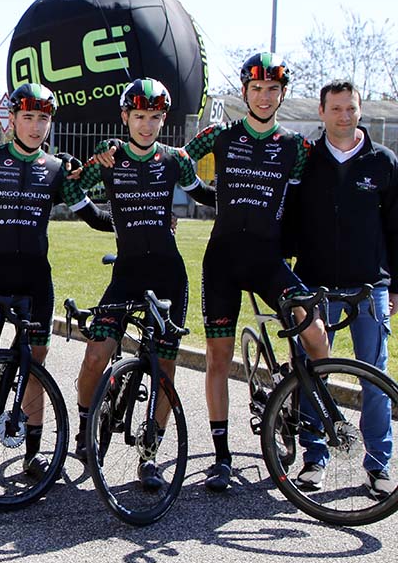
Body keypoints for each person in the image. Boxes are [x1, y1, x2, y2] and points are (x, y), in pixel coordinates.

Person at [99, 52, 330, 492]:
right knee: (219, 359)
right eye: (257, 89)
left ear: (283, 94)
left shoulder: (295, 148)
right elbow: (167, 160)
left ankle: (305, 415)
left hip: (268, 260)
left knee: (314, 335)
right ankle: (222, 457)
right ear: (245, 91)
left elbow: (302, 205)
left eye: (273, 90)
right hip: (222, 259)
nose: (264, 97)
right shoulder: (219, 135)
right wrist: (112, 154)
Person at [0, 82, 114, 482]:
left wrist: (132, 225)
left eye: (43, 118)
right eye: (28, 117)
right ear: (12, 120)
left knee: (35, 364)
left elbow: (92, 214)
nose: (35, 126)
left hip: (34, 281)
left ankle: (32, 453)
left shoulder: (57, 169)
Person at [65, 79, 207, 485]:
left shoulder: (175, 158)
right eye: (139, 116)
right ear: (125, 117)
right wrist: (117, 221)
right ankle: (85, 426)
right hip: (126, 274)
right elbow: (73, 184)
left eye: (156, 117)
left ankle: (150, 454)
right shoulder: (110, 157)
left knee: (165, 366)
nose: (147, 125)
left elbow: (208, 195)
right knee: (96, 355)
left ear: (164, 120)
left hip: (168, 276)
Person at [285, 79, 398, 498]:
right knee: (314, 374)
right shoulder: (306, 162)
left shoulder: (383, 162)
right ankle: (314, 457)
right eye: (336, 109)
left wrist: (395, 286)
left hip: (370, 288)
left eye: (351, 108)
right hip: (314, 286)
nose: (344, 116)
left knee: (375, 376)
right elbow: (288, 223)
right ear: (321, 112)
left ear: (360, 110)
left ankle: (378, 464)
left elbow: (396, 229)